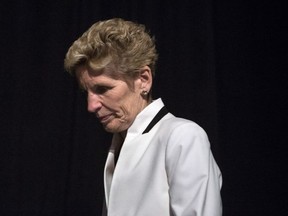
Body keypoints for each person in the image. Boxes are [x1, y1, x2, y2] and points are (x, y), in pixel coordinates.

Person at [64, 18, 222, 216]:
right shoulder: (121, 142)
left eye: (103, 88)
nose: (91, 105)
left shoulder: (183, 137)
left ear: (143, 80)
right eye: (86, 92)